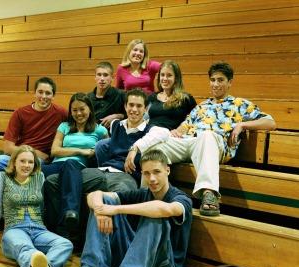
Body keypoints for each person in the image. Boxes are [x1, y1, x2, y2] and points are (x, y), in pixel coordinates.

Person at [57, 149, 193, 267]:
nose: (152, 179)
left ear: (167, 170)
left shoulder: (181, 198)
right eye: (147, 173)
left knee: (154, 215)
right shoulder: (143, 193)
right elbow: (94, 194)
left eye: (157, 172)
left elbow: (164, 209)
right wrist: (101, 211)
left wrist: (114, 210)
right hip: (137, 264)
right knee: (103, 201)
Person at [150, 61, 276, 216]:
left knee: (207, 135)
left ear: (230, 82)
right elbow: (186, 125)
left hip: (215, 144)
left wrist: (242, 125)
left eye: (220, 80)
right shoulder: (202, 106)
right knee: (157, 147)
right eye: (213, 80)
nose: (215, 84)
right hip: (190, 143)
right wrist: (177, 131)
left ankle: (209, 193)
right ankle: (149, 193)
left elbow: (270, 122)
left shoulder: (240, 104)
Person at [43, 88, 152, 247]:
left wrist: (135, 148)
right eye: (131, 105)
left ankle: (118, 247)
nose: (134, 109)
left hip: (124, 175)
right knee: (53, 181)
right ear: (125, 106)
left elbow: (162, 134)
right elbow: (103, 148)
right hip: (101, 171)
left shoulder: (151, 131)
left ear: (146, 108)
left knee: (122, 194)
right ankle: (66, 232)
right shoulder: (116, 126)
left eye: (139, 106)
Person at [0, 77, 67, 229]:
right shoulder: (20, 113)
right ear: (34, 93)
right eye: (40, 92)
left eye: (48, 93)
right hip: (19, 155)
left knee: (35, 171)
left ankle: (29, 221)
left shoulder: (61, 113)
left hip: (39, 161)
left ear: (53, 95)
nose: (43, 96)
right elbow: (8, 147)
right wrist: (32, 152)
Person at [42, 93, 108, 239]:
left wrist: (91, 153)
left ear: (89, 109)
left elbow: (105, 152)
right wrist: (80, 150)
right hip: (57, 165)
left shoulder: (100, 130)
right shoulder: (64, 126)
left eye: (82, 109)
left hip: (77, 167)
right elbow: (55, 150)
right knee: (32, 168)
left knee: (71, 163)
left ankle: (70, 213)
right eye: (74, 110)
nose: (78, 113)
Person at [124, 60, 197, 174]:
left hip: (167, 139)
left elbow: (195, 119)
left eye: (169, 75)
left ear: (176, 78)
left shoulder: (185, 98)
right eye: (162, 75)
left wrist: (182, 128)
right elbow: (143, 118)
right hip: (148, 134)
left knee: (146, 154)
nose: (165, 78)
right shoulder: (152, 97)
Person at [87, 61, 126, 128]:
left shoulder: (121, 95)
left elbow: (132, 114)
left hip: (113, 135)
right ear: (95, 77)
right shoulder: (87, 98)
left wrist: (117, 116)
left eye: (105, 75)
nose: (102, 79)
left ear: (112, 78)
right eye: (99, 75)